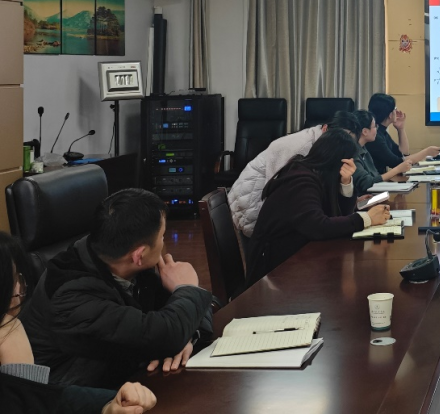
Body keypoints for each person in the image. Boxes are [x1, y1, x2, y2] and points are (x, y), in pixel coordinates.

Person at [20, 189, 213, 389]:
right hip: (69, 394)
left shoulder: (123, 258)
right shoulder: (70, 298)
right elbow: (166, 331)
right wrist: (187, 289)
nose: (164, 242)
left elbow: (201, 308)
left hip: (125, 378)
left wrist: (187, 336)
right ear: (139, 255)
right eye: (162, 236)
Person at [1, 232, 158, 414]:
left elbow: (55, 398)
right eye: (12, 280)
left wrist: (108, 405)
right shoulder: (68, 291)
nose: (19, 288)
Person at [247, 129, 390, 285]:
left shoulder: (316, 175)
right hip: (273, 271)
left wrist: (345, 183)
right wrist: (366, 219)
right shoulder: (301, 181)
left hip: (298, 258)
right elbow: (318, 226)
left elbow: (338, 215)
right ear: (337, 161)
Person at [230, 115, 338, 239]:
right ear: (325, 129)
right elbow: (279, 190)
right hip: (252, 200)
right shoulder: (302, 146)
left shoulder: (316, 139)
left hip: (260, 196)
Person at [337, 110, 412, 196]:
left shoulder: (364, 149)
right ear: (365, 131)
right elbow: (367, 182)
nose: (377, 129)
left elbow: (375, 175)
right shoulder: (352, 153)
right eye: (375, 126)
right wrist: (398, 169)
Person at [365, 93, 440, 174]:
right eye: (395, 109)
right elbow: (397, 163)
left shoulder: (381, 132)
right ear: (390, 115)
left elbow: (403, 154)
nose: (397, 111)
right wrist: (426, 152)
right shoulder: (375, 136)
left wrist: (400, 129)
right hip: (376, 180)